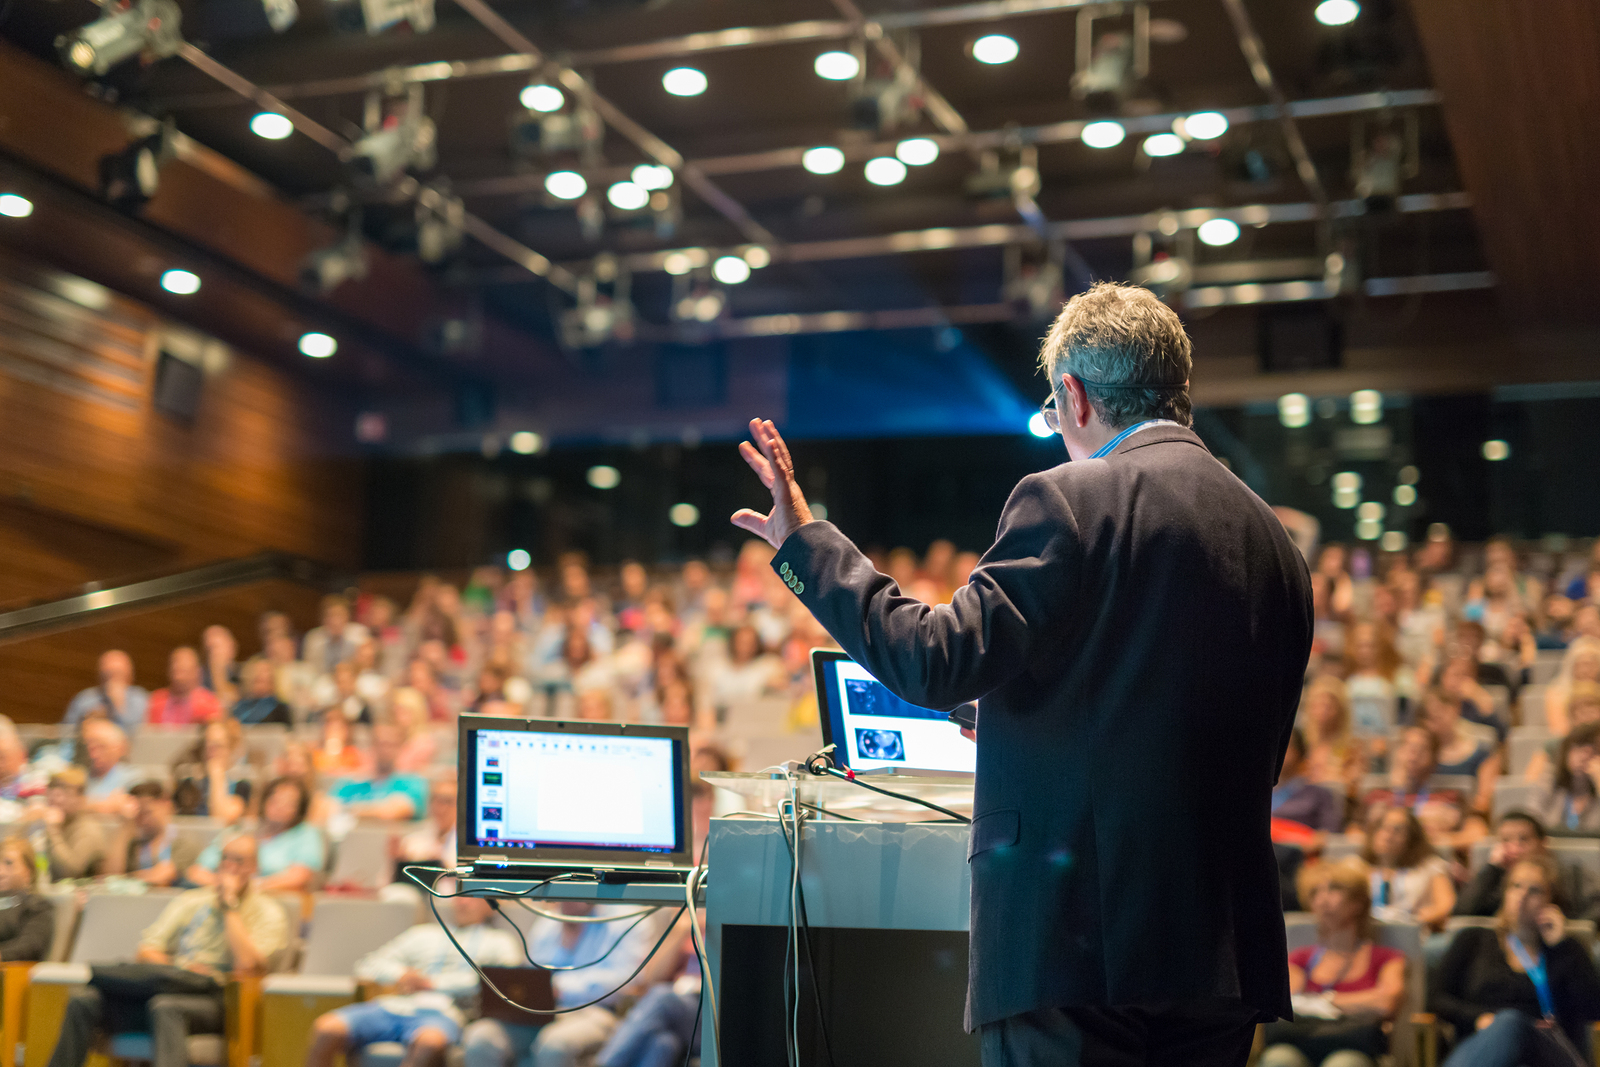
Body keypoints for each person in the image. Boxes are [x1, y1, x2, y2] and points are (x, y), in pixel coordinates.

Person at [730, 281, 1316, 1062]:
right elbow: (1223, 738)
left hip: (1076, 940)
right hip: (1222, 951)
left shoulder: (1071, 497)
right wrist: (1020, 719)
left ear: (1074, 395)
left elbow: (933, 659)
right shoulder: (1274, 541)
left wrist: (805, 542)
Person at [45, 835, 288, 1067]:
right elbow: (146, 950)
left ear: (254, 867)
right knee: (84, 1000)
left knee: (166, 1007)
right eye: (225, 858)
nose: (229, 866)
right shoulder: (192, 901)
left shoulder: (267, 911)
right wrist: (182, 968)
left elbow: (249, 966)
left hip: (222, 1000)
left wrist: (229, 906)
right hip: (177, 985)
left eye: (238, 861)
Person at [305, 889, 521, 1067]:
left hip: (444, 1011)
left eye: (473, 897)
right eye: (459, 896)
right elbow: (368, 965)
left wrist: (433, 984)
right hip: (395, 1006)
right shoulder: (423, 934)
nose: (463, 902)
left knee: (429, 1043)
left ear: (491, 905)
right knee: (326, 1029)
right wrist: (401, 975)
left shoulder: (500, 941)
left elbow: (505, 981)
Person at [1431, 856, 1600, 1065]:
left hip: (1547, 1050)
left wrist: (1561, 947)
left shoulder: (1566, 949)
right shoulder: (1472, 940)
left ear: (1551, 901)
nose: (1523, 895)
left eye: (1535, 890)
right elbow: (1437, 999)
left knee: (1512, 1020)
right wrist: (1478, 1018)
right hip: (1483, 1044)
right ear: (1505, 893)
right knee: (1507, 1024)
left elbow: (1592, 1009)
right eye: (1516, 886)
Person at [461, 903, 663, 1067]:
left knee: (555, 1044)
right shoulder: (548, 921)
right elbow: (533, 971)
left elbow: (626, 981)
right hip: (541, 1012)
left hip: (596, 1011)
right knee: (481, 1037)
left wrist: (560, 988)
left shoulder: (627, 919)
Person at [1259, 858, 1407, 1067]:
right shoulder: (1300, 958)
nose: (1322, 900)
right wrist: (1359, 1002)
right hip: (1301, 1041)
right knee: (1278, 1059)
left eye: (1334, 889)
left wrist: (1326, 1000)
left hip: (1353, 1046)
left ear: (1358, 903)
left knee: (1343, 1064)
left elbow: (1385, 1003)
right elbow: (1287, 1003)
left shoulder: (1386, 957)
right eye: (1315, 893)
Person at [1456, 812, 1600, 922]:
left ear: (1543, 843)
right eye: (1506, 841)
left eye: (1523, 840)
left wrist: (1569, 930)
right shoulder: (1493, 879)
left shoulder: (1572, 875)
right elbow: (1461, 914)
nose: (1514, 849)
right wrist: (1492, 867)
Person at [188, 777, 324, 893]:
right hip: (222, 896)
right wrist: (225, 886)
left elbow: (299, 878)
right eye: (275, 799)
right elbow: (197, 872)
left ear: (299, 809)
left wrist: (250, 888)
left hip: (274, 902)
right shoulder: (239, 831)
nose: (280, 806)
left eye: (289, 802)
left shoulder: (306, 834)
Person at [1357, 726, 1477, 848]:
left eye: (1422, 748)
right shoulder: (1376, 796)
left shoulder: (1450, 797)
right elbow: (1352, 834)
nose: (1413, 753)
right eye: (1407, 746)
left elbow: (1477, 833)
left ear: (1434, 757)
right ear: (1396, 752)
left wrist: (1442, 840)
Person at [1361, 804, 1455, 930]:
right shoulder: (1359, 867)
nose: (1387, 835)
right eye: (1382, 827)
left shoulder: (1430, 867)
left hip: (1413, 931)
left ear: (1411, 837)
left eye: (1397, 830)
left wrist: (1416, 921)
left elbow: (1445, 905)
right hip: (1369, 933)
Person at [102, 780, 198, 887]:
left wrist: (126, 878)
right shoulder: (133, 844)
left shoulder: (183, 842)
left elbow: (163, 877)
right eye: (138, 814)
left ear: (166, 805)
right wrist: (125, 829)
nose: (143, 820)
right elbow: (109, 876)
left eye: (148, 812)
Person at [331, 723, 428, 820]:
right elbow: (327, 807)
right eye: (381, 744)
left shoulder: (412, 782)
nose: (385, 750)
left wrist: (345, 809)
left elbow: (394, 811)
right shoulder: (352, 782)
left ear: (400, 748)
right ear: (372, 746)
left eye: (391, 745)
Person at [23, 768, 106, 881]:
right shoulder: (54, 822)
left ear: (81, 799)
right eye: (52, 793)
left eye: (65, 794)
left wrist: (53, 830)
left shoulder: (88, 828)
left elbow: (69, 872)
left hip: (82, 890)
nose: (56, 800)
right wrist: (27, 822)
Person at [1273, 727, 1345, 843]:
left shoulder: (1319, 795)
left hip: (1298, 850)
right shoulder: (1257, 794)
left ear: (1299, 752)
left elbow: (1330, 834)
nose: (1277, 750)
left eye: (1284, 745)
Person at [1530, 723, 1600, 834]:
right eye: (1577, 748)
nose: (1583, 757)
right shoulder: (1550, 779)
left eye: (1594, 751)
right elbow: (1532, 822)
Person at [0, 835, 59, 961]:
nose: (1, 872)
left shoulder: (37, 906)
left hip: (13, 967)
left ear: (28, 872)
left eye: (9, 863)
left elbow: (30, 946)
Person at [63, 650, 148, 735]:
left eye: (118, 673)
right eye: (108, 674)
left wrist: (119, 705)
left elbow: (140, 733)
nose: (113, 680)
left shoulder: (140, 698)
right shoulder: (85, 698)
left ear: (130, 675)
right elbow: (66, 731)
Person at [146, 647, 222, 726]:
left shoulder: (209, 703)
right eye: (177, 669)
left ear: (197, 672)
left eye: (184, 670)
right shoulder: (156, 699)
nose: (179, 676)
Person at [302, 595, 371, 675]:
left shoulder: (360, 633)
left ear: (347, 616)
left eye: (339, 615)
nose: (335, 621)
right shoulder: (313, 638)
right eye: (330, 616)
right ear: (323, 619)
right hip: (323, 679)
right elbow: (310, 669)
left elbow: (366, 666)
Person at [80, 719, 138, 811]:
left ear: (119, 748)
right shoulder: (81, 776)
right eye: (91, 748)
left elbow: (130, 807)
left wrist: (83, 804)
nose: (94, 755)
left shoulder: (133, 777)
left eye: (101, 747)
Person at [231, 657, 292, 726]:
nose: (261, 674)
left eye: (266, 672)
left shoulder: (280, 709)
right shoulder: (240, 706)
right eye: (258, 680)